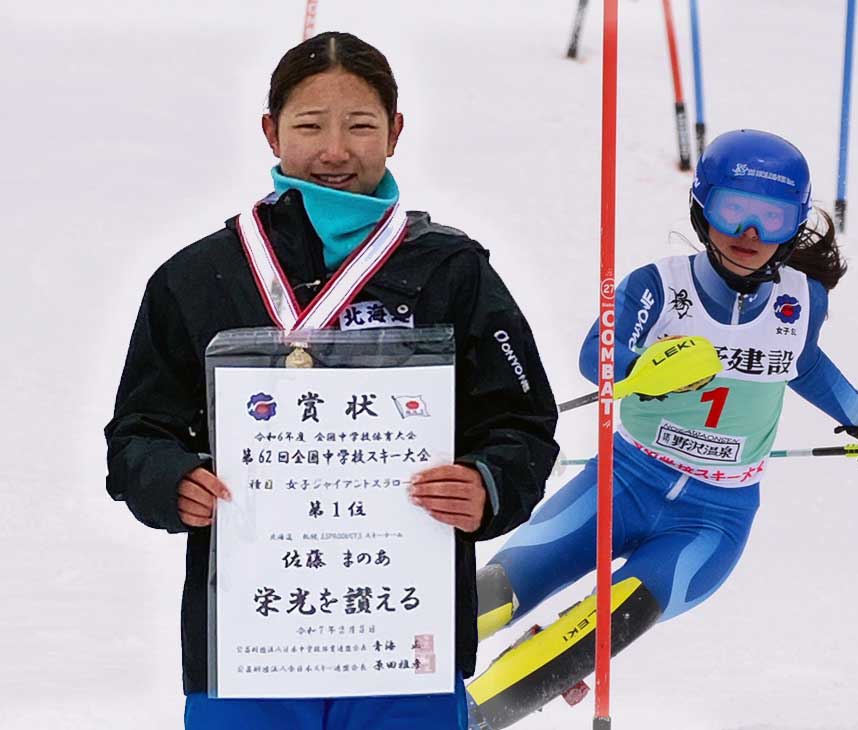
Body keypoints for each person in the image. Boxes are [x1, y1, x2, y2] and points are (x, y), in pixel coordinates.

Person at [104, 31, 559, 730]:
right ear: (271, 132)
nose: (335, 150)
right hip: (249, 648)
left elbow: (522, 424)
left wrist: (488, 482)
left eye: (361, 125)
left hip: (406, 644)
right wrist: (168, 480)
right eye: (310, 125)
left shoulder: (452, 271)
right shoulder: (196, 280)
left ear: (396, 131)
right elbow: (139, 432)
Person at [466, 129, 858, 729]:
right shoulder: (660, 286)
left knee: (595, 633)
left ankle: (462, 720)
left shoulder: (804, 299)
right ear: (701, 208)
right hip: (623, 482)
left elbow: (803, 362)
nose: (750, 234)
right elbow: (598, 358)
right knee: (491, 596)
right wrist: (647, 371)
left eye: (770, 218)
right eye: (732, 210)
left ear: (793, 225)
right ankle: (379, 673)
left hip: (713, 519)